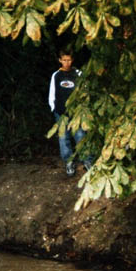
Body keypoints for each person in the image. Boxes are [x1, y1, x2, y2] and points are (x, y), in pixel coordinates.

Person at [48, 49, 88, 177]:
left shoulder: (78, 73)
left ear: (72, 60)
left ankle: (87, 160)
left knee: (81, 136)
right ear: (60, 60)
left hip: (77, 113)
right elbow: (52, 94)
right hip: (61, 113)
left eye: (69, 60)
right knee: (63, 138)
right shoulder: (56, 75)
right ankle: (69, 162)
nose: (67, 62)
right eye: (64, 60)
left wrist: (82, 108)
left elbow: (84, 91)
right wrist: (54, 108)